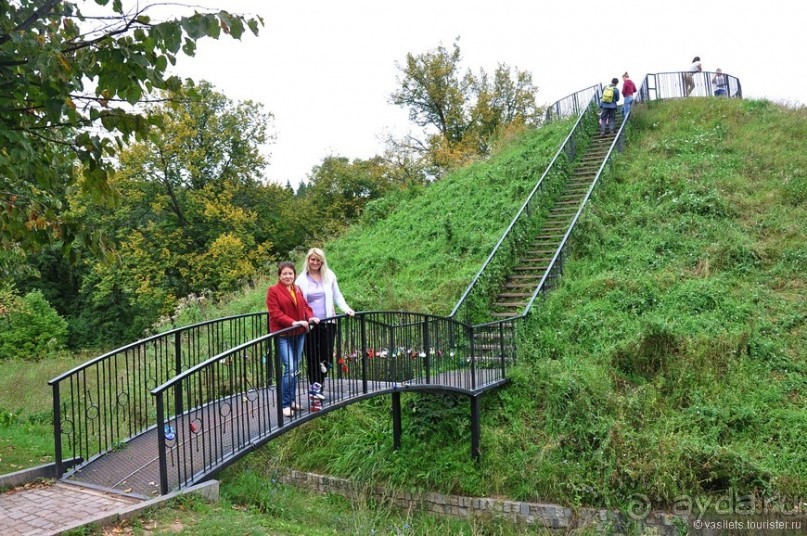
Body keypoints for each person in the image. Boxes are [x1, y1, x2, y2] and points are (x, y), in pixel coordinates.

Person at [296, 248, 354, 400]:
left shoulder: (329, 276)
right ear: (308, 260)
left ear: (322, 261)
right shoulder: (301, 280)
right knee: (312, 356)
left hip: (328, 322)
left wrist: (346, 309)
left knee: (326, 355)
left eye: (318, 260)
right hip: (310, 324)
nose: (315, 262)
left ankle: (319, 385)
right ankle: (315, 388)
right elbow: (298, 302)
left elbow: (337, 295)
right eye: (312, 259)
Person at [266, 261, 320, 417]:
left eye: (290, 273)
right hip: (284, 334)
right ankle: (284, 404)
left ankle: (291, 401)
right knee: (289, 368)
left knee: (295, 369)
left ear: (294, 275)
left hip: (299, 333)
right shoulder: (273, 291)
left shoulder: (297, 289)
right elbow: (275, 313)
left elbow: (305, 307)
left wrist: (311, 317)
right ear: (279, 275)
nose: (288, 276)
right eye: (285, 274)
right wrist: (293, 322)